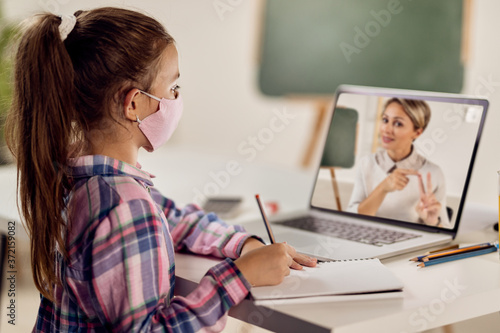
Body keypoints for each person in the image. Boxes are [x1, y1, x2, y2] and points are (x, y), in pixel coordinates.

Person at [5, 8, 317, 332]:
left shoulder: (78, 178)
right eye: (172, 89)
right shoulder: (125, 206)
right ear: (134, 104)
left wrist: (243, 244)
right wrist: (238, 278)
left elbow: (174, 217)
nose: (176, 99)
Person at [347, 98, 451, 228]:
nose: (386, 129)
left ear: (417, 132)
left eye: (398, 124)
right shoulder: (366, 164)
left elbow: (445, 230)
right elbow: (350, 218)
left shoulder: (433, 173)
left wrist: (433, 222)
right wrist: (383, 188)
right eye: (385, 120)